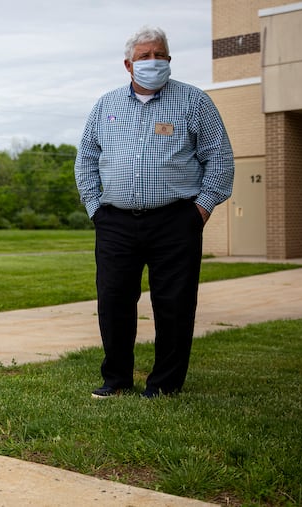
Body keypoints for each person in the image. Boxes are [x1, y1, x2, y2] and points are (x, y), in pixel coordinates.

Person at [74, 26, 235, 399]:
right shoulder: (105, 106)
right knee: (113, 301)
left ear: (169, 60)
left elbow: (220, 160)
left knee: (174, 304)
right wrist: (95, 208)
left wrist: (201, 209)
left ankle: (164, 384)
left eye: (159, 55)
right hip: (114, 220)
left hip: (176, 220)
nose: (153, 62)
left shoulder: (194, 102)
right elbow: (86, 160)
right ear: (129, 64)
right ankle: (116, 379)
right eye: (145, 56)